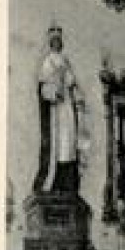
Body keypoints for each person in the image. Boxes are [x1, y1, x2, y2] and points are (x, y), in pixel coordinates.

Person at [38, 24, 86, 194]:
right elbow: (43, 88)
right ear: (51, 43)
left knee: (69, 145)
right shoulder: (48, 61)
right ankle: (54, 183)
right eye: (54, 41)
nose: (57, 43)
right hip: (55, 111)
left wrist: (78, 98)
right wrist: (54, 93)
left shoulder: (65, 61)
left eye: (59, 40)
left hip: (67, 110)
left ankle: (68, 184)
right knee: (57, 146)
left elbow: (72, 84)